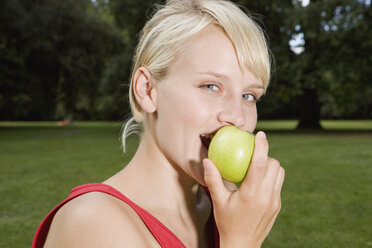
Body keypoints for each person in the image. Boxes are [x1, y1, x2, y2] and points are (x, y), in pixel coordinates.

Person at [33, 0, 285, 247]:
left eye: (249, 96)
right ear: (148, 90)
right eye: (211, 86)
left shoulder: (226, 204)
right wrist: (240, 241)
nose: (238, 118)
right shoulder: (92, 223)